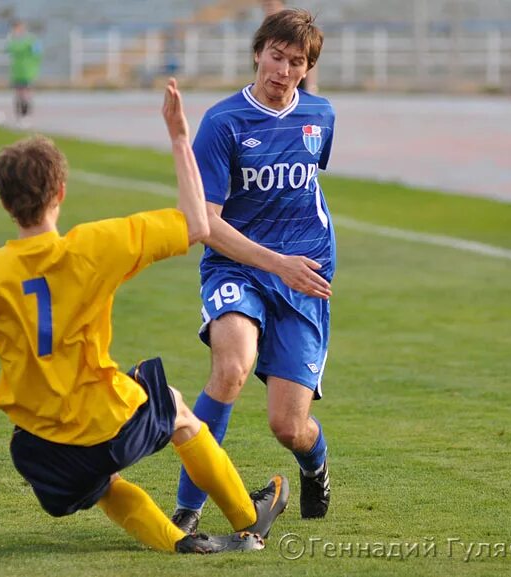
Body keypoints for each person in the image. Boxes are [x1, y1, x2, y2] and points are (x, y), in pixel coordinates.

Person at [0, 79, 289, 554]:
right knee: (174, 408)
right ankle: (246, 516)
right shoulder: (95, 245)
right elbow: (198, 224)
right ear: (61, 192)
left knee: (102, 485)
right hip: (104, 418)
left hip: (40, 448)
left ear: (4, 202)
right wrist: (178, 137)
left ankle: (178, 542)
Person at [171, 9, 334, 534]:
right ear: (258, 53)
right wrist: (274, 263)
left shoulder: (321, 116)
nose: (283, 70)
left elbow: (309, 189)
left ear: (307, 69)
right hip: (237, 266)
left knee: (288, 426)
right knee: (231, 369)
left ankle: (316, 466)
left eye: (296, 62)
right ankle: (188, 510)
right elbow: (205, 225)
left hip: (304, 275)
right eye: (276, 57)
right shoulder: (223, 124)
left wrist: (295, 265)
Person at [261, 0, 318, 93]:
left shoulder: (292, 27)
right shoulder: (265, 30)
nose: (270, 9)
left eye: (272, 5)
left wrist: (311, 86)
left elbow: (309, 57)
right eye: (266, 5)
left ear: (282, 5)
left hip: (296, 84)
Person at [6, 20, 42, 128]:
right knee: (18, 95)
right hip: (17, 71)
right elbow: (9, 49)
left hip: (28, 71)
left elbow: (38, 53)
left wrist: (34, 68)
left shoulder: (30, 40)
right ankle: (19, 117)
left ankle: (26, 117)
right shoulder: (13, 41)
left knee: (26, 94)